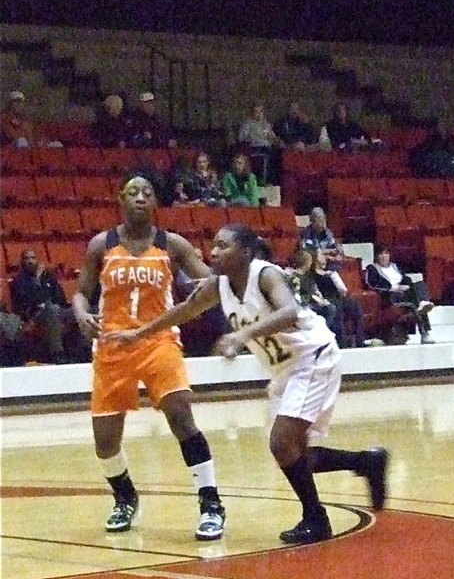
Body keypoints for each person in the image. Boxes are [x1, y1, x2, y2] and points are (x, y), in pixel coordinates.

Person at [103, 223, 388, 545]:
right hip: (285, 369)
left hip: (313, 356)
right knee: (296, 453)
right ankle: (366, 461)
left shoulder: (265, 275)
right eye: (213, 245)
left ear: (245, 252)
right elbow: (184, 310)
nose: (213, 252)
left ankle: (316, 519)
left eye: (223, 246)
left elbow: (290, 312)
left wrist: (243, 334)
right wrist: (139, 333)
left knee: (282, 444)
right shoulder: (219, 286)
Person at [71, 175, 227, 540]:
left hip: (159, 341)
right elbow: (81, 293)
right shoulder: (101, 245)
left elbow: (211, 284)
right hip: (112, 346)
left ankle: (211, 503)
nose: (140, 197)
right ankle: (125, 496)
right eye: (133, 192)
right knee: (105, 443)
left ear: (156, 201)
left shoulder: (173, 244)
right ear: (119, 199)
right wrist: (81, 314)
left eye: (147, 192)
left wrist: (224, 281)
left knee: (180, 416)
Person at [9, 248, 79, 363]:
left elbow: (60, 298)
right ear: (22, 262)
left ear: (38, 260)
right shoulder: (19, 281)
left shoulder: (49, 277)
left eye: (33, 258)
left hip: (57, 310)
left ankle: (85, 351)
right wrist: (36, 281)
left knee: (79, 311)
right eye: (27, 258)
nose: (30, 261)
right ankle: (58, 353)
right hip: (34, 314)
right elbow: (30, 301)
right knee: (51, 309)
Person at [364, 247, 434, 344]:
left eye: (386, 253)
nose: (384, 256)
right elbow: (371, 285)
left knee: (420, 284)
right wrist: (395, 288)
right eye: (381, 254)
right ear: (376, 256)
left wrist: (405, 286)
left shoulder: (395, 266)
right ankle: (424, 332)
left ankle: (423, 303)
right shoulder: (372, 268)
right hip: (390, 295)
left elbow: (406, 278)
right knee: (416, 302)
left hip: (405, 292)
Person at [237, 101, 282, 185]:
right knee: (268, 156)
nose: (259, 114)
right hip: (255, 149)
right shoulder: (247, 125)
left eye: (260, 111)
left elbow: (273, 137)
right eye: (256, 112)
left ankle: (274, 182)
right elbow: (241, 138)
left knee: (279, 156)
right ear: (252, 113)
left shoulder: (266, 124)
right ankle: (264, 182)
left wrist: (277, 141)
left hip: (268, 147)